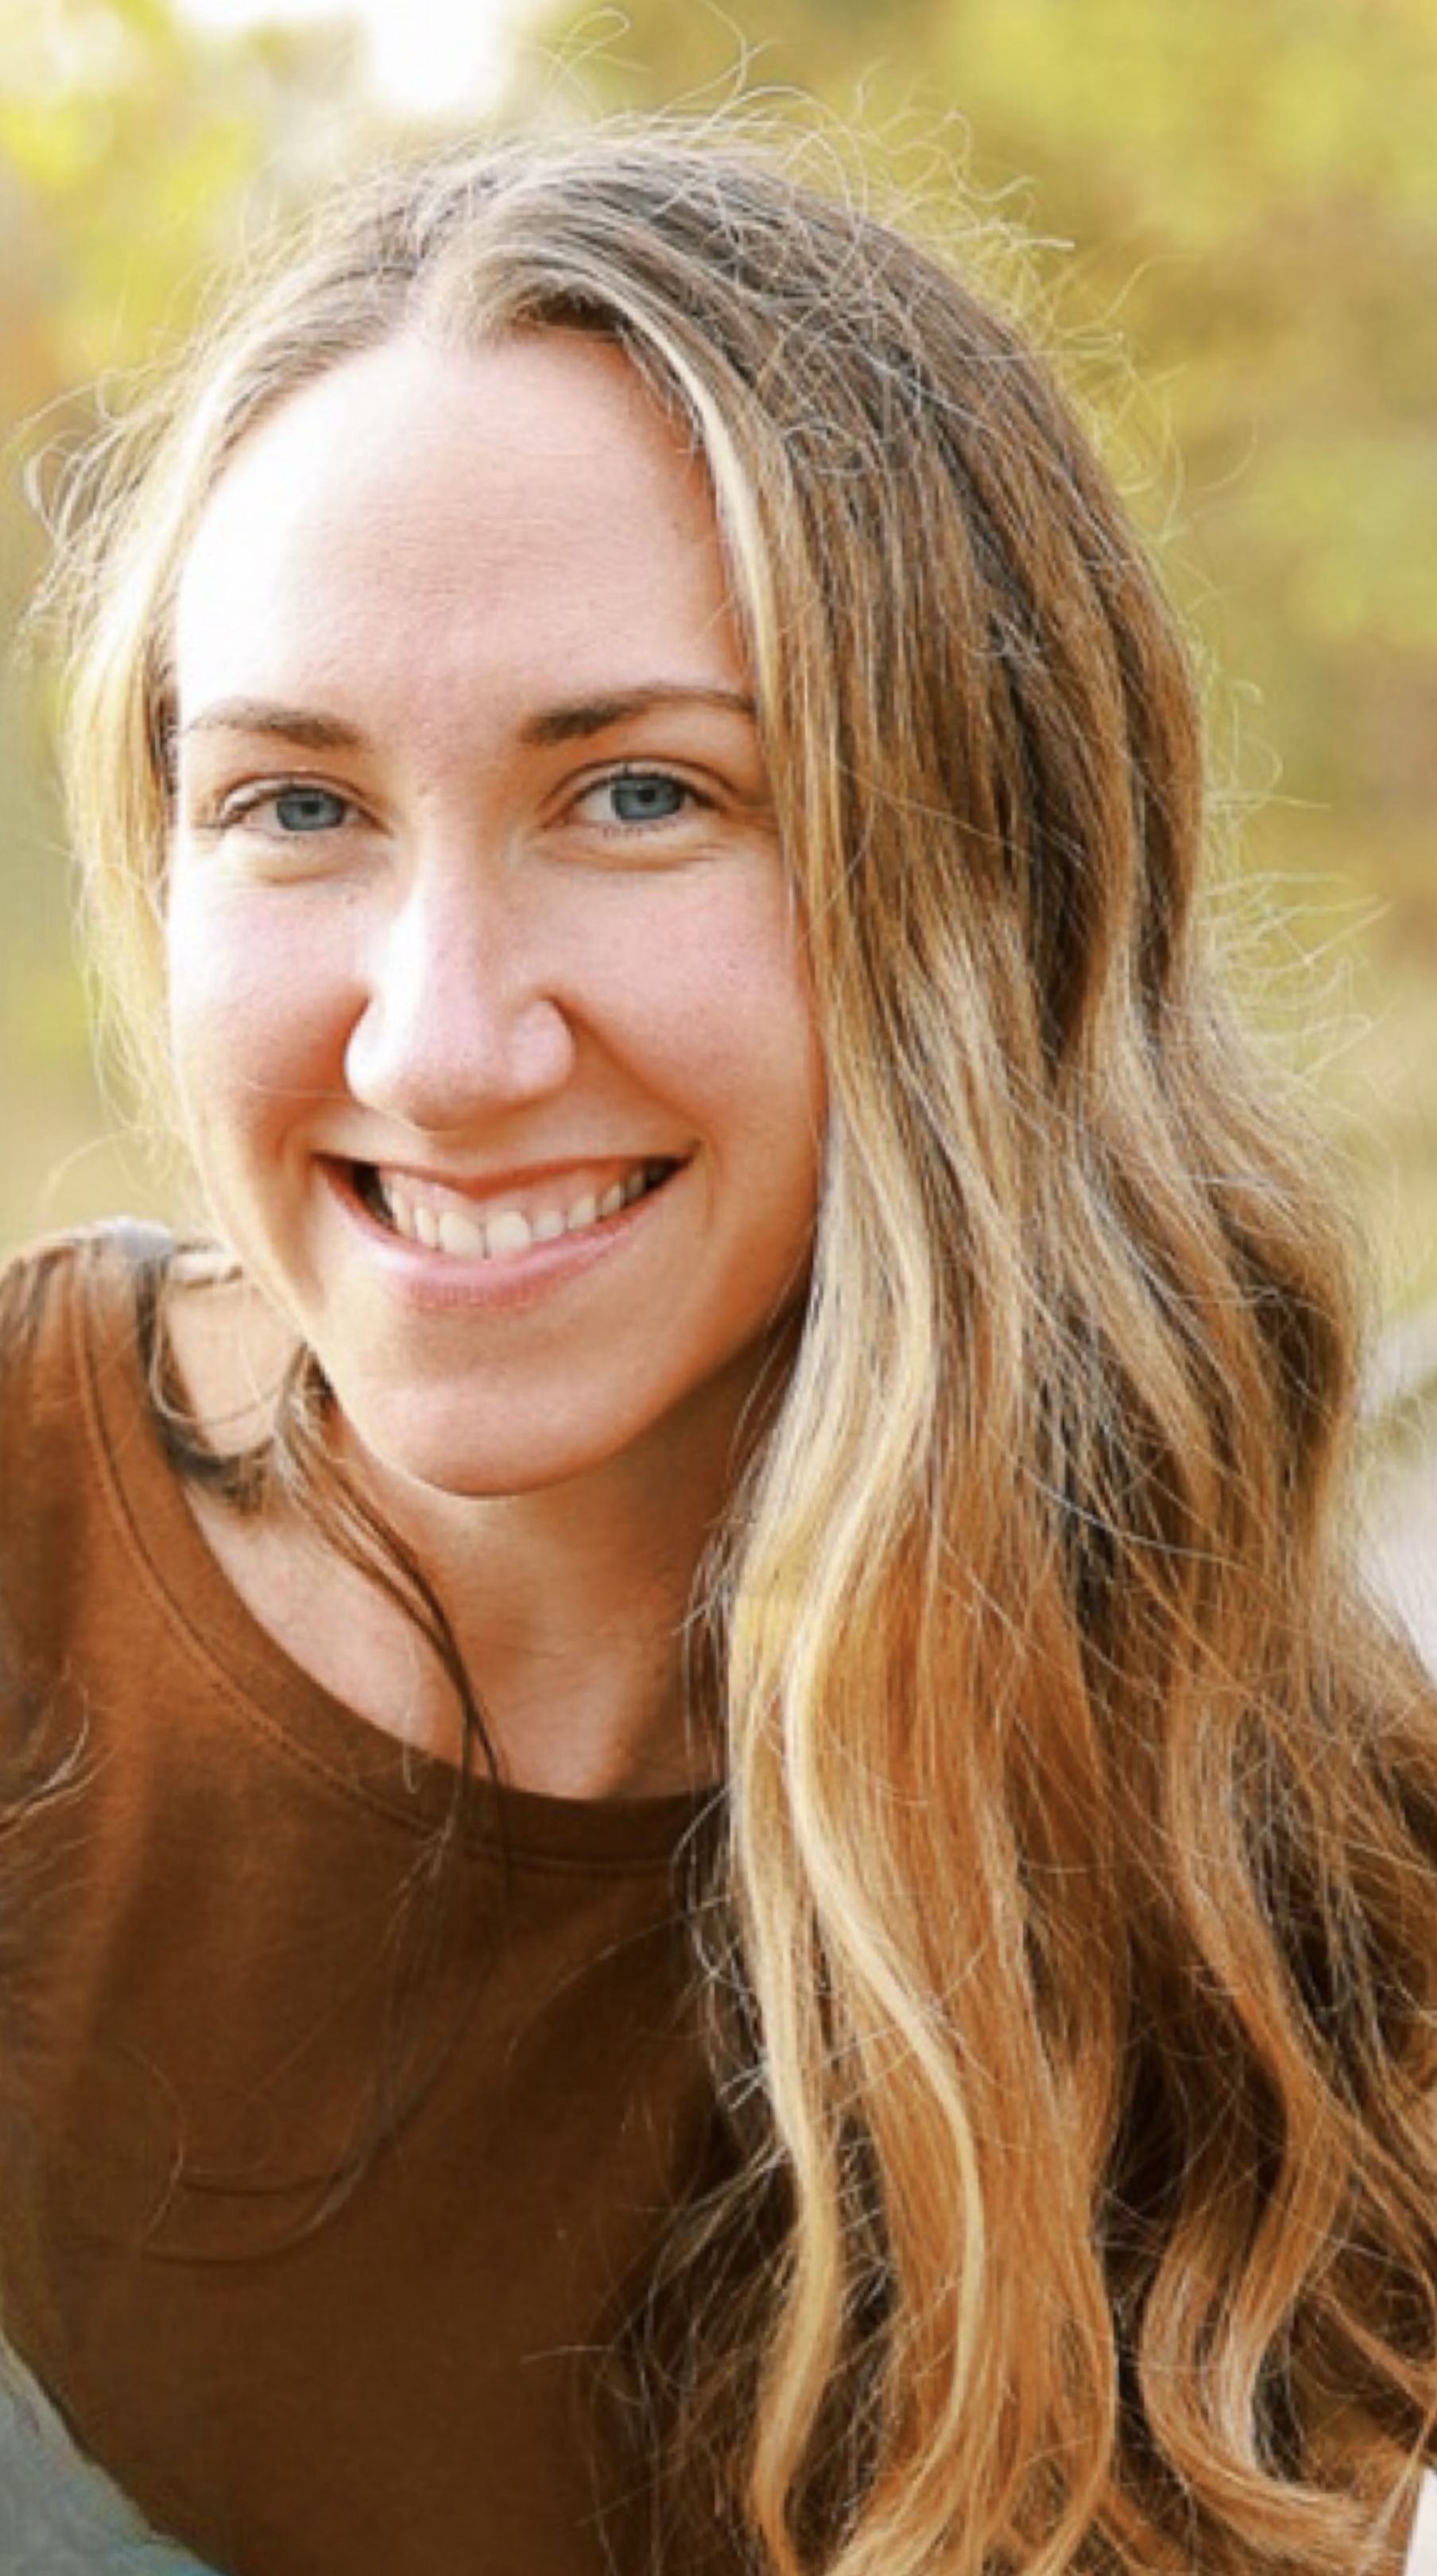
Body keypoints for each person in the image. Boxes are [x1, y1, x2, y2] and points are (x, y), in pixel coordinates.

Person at [4, 114, 1436, 2576]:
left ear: (992, 868)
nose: (440, 1043)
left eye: (642, 790)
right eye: (292, 806)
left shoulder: (1315, 1917)